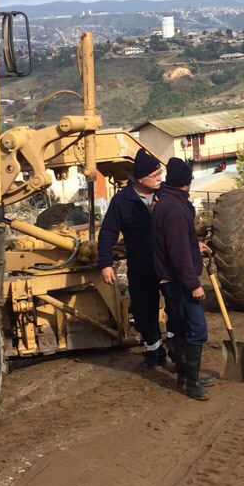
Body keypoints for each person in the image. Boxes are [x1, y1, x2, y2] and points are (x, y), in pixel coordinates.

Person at [152, 157, 213, 400]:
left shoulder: (167, 203)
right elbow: (178, 252)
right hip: (179, 282)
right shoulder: (175, 209)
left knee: (181, 327)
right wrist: (193, 284)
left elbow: (177, 242)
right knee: (197, 329)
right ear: (186, 182)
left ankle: (187, 376)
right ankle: (190, 381)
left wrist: (193, 242)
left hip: (170, 279)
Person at [98, 150, 166, 368]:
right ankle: (154, 351)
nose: (159, 178)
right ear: (139, 179)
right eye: (155, 175)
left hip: (168, 263)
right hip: (141, 265)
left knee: (177, 306)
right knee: (144, 310)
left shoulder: (166, 194)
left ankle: (179, 351)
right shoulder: (122, 201)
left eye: (160, 173)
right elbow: (108, 232)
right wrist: (106, 263)